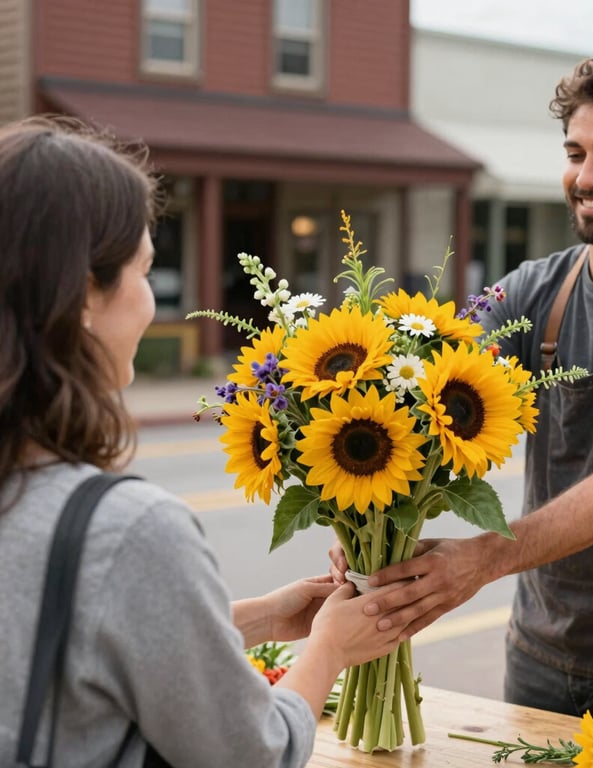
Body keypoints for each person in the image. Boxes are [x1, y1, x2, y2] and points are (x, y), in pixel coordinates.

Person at [331, 52, 593, 719]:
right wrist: (363, 511)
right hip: (539, 651)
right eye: (576, 152)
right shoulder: (533, 289)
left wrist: (479, 558)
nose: (587, 177)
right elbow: (426, 412)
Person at [0, 116, 410, 768]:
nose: (149, 304)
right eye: (144, 273)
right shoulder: (124, 530)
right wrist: (329, 649)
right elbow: (251, 756)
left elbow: (58, 636)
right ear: (83, 295)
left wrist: (259, 620)